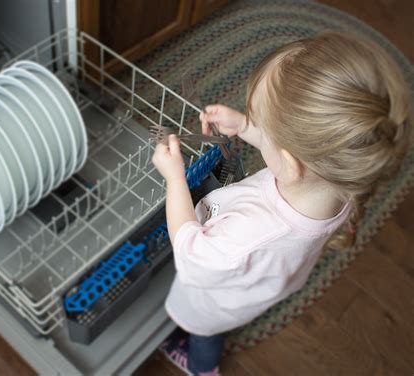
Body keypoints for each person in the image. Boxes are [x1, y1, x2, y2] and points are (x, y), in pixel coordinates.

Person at [151, 32, 411, 376]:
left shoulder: (254, 228)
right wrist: (245, 125)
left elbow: (191, 254)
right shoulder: (342, 180)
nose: (255, 124)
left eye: (262, 124)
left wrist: (175, 179)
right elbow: (293, 156)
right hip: (266, 283)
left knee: (205, 333)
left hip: (218, 302)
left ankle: (203, 367)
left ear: (289, 163)